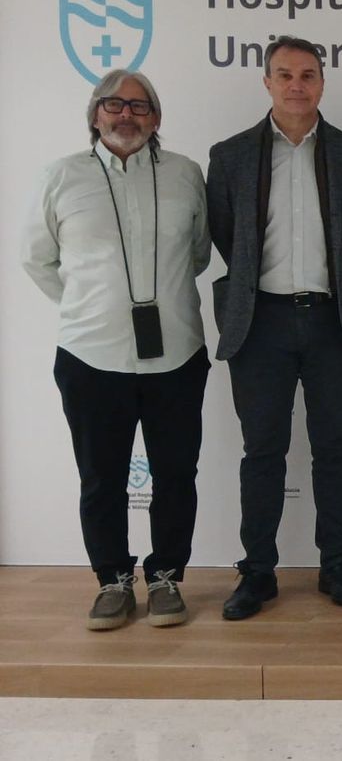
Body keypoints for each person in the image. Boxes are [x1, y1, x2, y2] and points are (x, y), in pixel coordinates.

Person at [22, 70, 211, 630]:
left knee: (177, 473)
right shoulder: (61, 176)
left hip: (175, 352)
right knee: (101, 477)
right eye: (114, 105)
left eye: (140, 106)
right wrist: (91, 308)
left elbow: (198, 254)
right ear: (95, 114)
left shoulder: (185, 174)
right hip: (89, 359)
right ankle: (111, 579)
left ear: (156, 118)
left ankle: (166, 577)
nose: (126, 115)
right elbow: (38, 259)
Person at [207, 36, 342, 620]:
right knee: (262, 452)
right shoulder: (230, 156)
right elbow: (228, 237)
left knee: (335, 448)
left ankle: (337, 566)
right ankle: (257, 573)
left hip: (334, 322)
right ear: (267, 82)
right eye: (284, 75)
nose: (296, 85)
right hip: (260, 323)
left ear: (323, 82)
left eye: (307, 74)